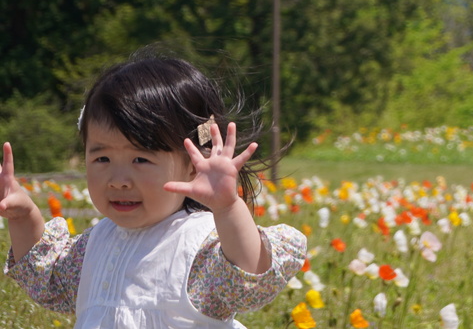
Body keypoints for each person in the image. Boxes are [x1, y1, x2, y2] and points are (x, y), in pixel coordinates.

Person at [0, 53, 307, 328]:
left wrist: (227, 208)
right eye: (102, 158)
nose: (118, 179)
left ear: (192, 164)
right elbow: (49, 281)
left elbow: (248, 278)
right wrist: (22, 215)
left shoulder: (198, 246)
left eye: (141, 159)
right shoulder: (92, 246)